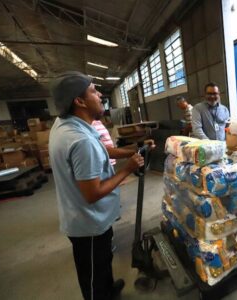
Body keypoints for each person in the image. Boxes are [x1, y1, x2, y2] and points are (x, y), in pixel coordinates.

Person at [49, 71, 145, 300]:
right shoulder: (81, 141)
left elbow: (102, 150)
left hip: (90, 219)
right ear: (79, 101)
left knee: (102, 262)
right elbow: (92, 193)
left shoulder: (66, 125)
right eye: (93, 90)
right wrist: (127, 169)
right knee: (92, 274)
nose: (100, 93)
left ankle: (108, 290)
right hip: (88, 223)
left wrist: (133, 149)